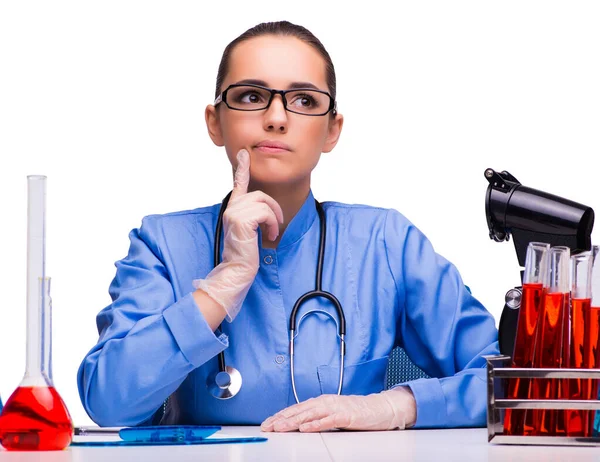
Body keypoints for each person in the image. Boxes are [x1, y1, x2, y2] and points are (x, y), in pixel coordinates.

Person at [77, 20, 499, 433]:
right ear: (214, 122)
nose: (277, 118)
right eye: (250, 96)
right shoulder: (162, 244)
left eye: (304, 101)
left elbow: (504, 378)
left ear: (331, 130)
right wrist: (218, 290)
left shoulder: (385, 242)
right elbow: (108, 402)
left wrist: (395, 405)